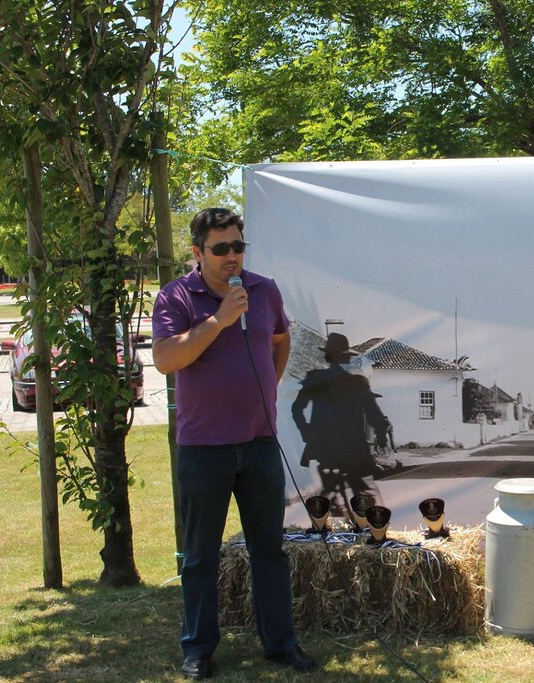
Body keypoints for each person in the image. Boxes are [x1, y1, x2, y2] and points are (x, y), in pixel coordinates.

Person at [152, 208, 315, 679]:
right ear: (197, 252)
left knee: (269, 549)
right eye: (221, 248)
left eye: (238, 246)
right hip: (204, 447)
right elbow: (166, 359)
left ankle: (280, 643)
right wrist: (220, 320)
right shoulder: (176, 295)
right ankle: (198, 649)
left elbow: (280, 341)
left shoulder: (264, 290)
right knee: (201, 555)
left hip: (260, 442)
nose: (232, 257)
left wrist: (267, 388)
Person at [291, 333, 391, 512]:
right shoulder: (357, 382)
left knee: (327, 489)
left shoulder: (314, 380)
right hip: (353, 449)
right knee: (364, 490)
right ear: (346, 358)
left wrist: (308, 433)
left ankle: (326, 511)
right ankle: (367, 516)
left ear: (327, 356)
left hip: (324, 448)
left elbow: (296, 409)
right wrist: (382, 435)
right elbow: (373, 413)